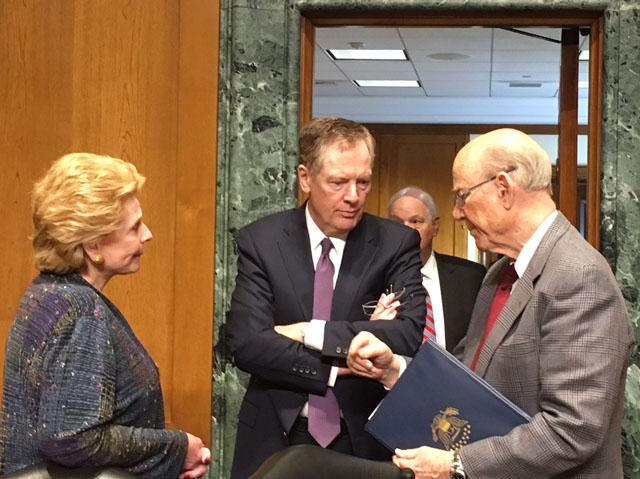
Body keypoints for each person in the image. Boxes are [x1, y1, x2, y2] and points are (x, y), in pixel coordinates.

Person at [347, 128, 634, 478]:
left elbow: (572, 430)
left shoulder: (579, 276)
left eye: (462, 196)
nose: (455, 213)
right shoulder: (499, 273)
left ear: (503, 188)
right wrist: (394, 369)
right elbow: (466, 372)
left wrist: (456, 464)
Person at [226, 117, 426, 479]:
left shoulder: (395, 243)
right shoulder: (262, 241)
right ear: (305, 177)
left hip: (362, 438)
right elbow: (248, 343)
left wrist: (308, 332)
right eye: (338, 182)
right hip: (276, 434)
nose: (353, 196)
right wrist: (338, 366)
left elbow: (408, 333)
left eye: (363, 182)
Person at [0, 153, 210, 479]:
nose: (147, 234)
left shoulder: (47, 292)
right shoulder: (79, 311)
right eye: (134, 227)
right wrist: (177, 447)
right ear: (93, 244)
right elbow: (72, 440)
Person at [387, 187, 485, 352]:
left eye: (416, 221)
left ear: (435, 226)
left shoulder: (472, 277)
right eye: (397, 223)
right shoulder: (372, 279)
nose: (405, 230)